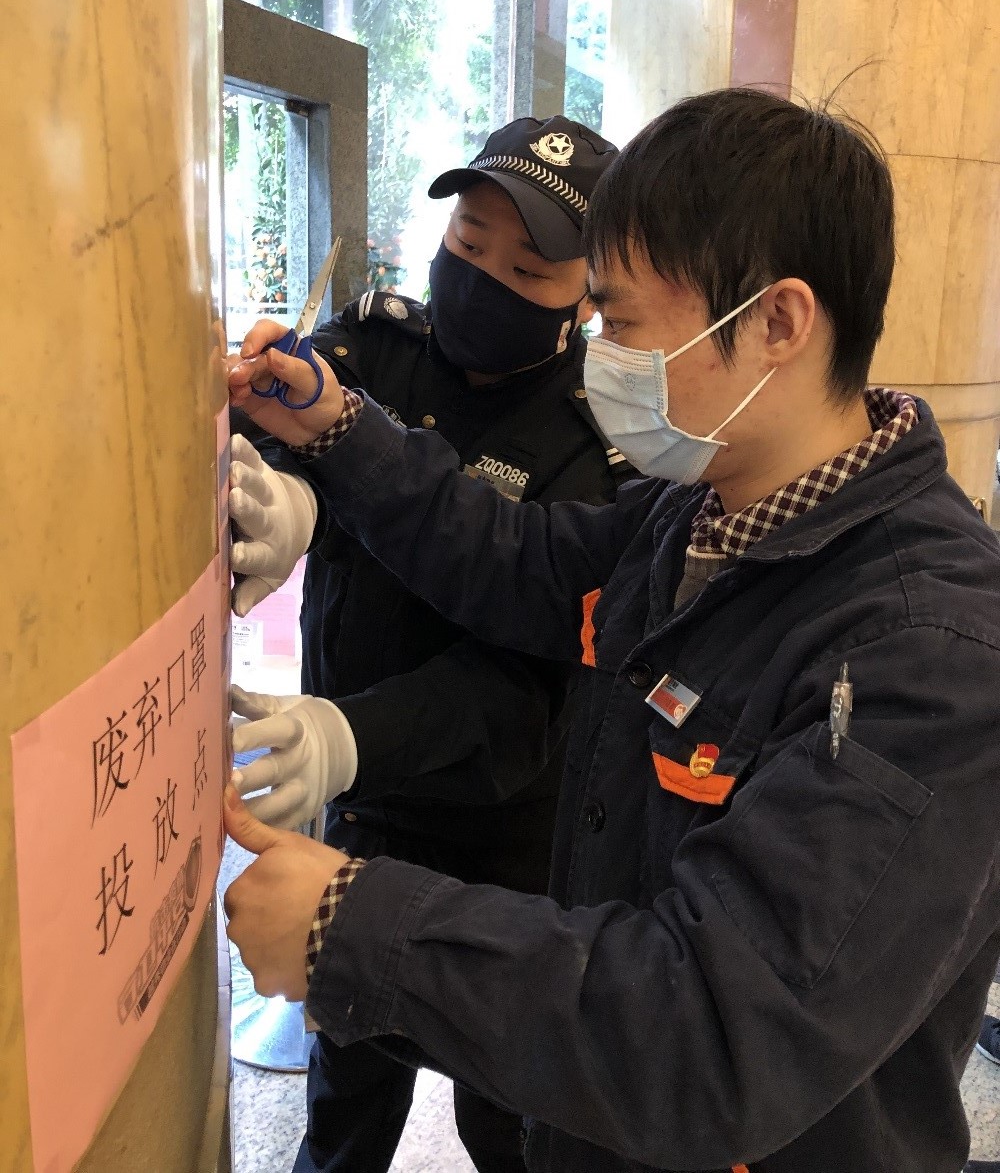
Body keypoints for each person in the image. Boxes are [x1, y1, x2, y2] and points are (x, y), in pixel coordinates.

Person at [223, 87, 1000, 1173]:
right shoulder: (698, 512)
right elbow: (511, 556)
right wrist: (337, 430)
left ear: (777, 323)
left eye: (622, 322)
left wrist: (353, 922)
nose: (597, 350)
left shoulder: (925, 652)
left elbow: (714, 1031)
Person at [227, 115, 627, 1173]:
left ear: (589, 297)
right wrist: (285, 497)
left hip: (500, 845)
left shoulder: (602, 444)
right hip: (358, 818)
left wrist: (348, 734)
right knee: (344, 1099)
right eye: (468, 241)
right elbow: (283, 424)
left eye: (528, 268)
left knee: (512, 1119)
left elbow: (524, 684)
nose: (484, 277)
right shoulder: (381, 343)